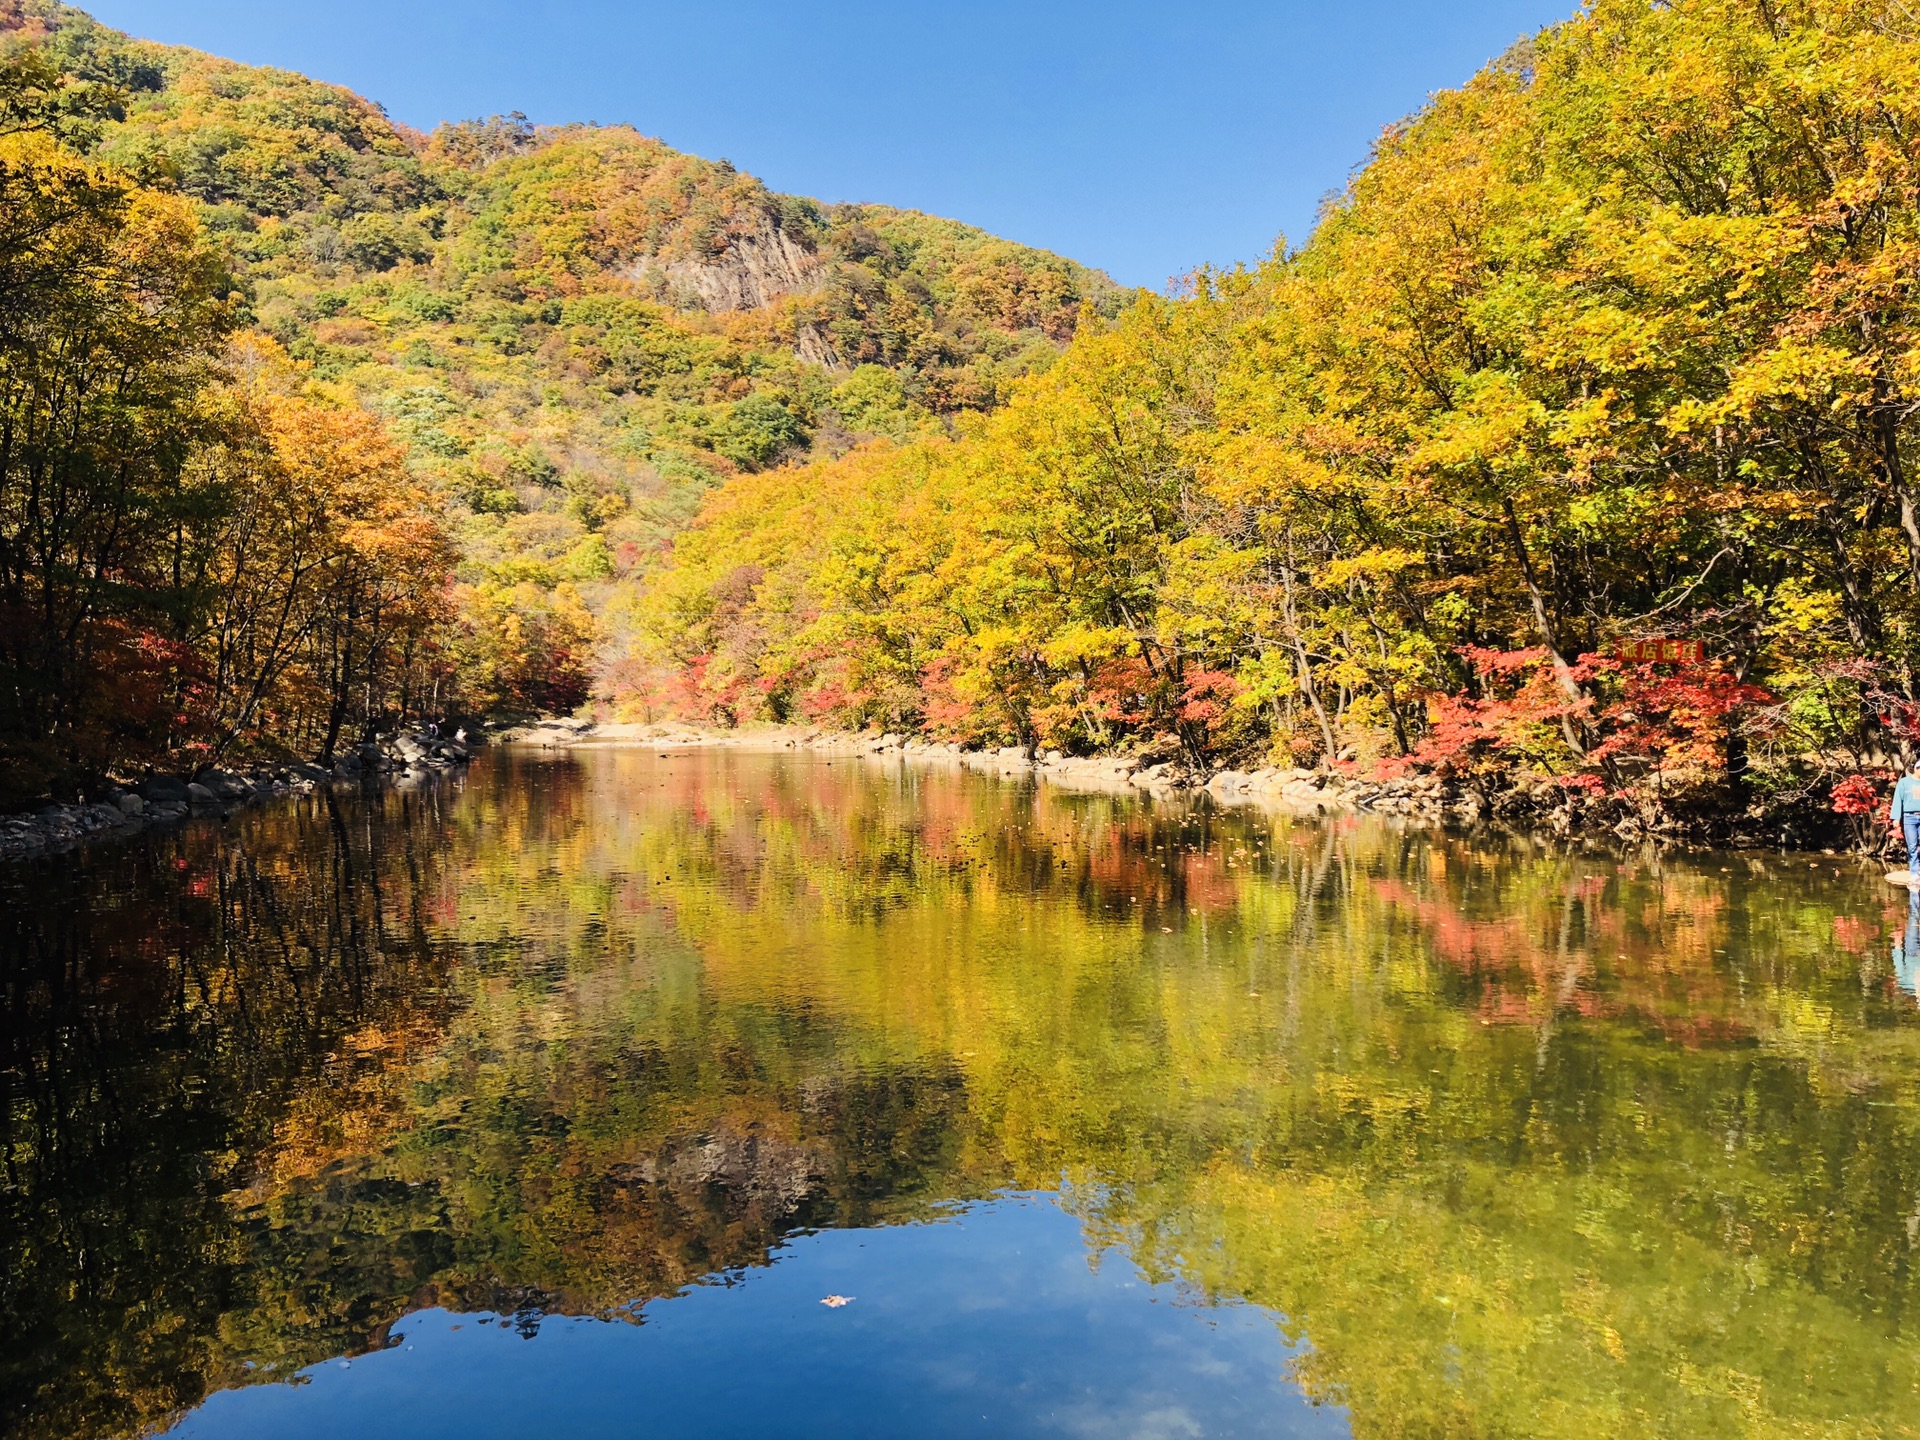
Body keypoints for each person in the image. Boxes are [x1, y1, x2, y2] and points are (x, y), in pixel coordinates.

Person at [1893, 759, 1920, 880]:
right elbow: (1898, 800)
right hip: (1909, 817)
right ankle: (1914, 873)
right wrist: (1896, 818)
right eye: (1919, 768)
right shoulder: (1904, 782)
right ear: (1914, 768)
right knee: (1912, 846)